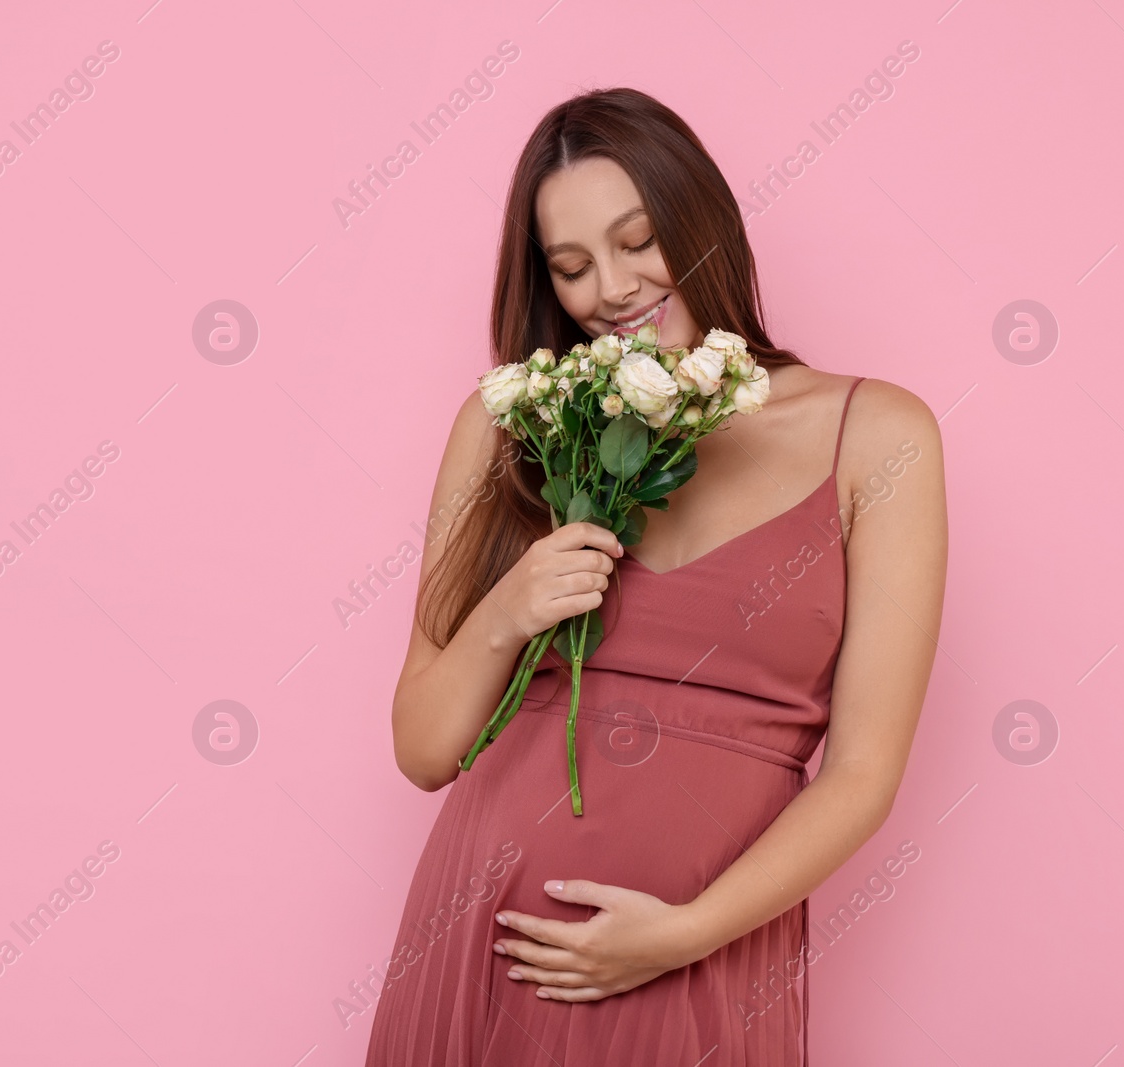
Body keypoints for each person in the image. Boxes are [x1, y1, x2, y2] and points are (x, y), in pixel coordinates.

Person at [365, 87, 947, 1065]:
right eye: (572, 266)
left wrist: (686, 932)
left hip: (700, 953)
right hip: (484, 937)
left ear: (702, 220)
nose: (615, 288)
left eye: (639, 240)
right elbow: (423, 748)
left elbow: (861, 774)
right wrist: (510, 609)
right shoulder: (510, 424)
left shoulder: (878, 435)